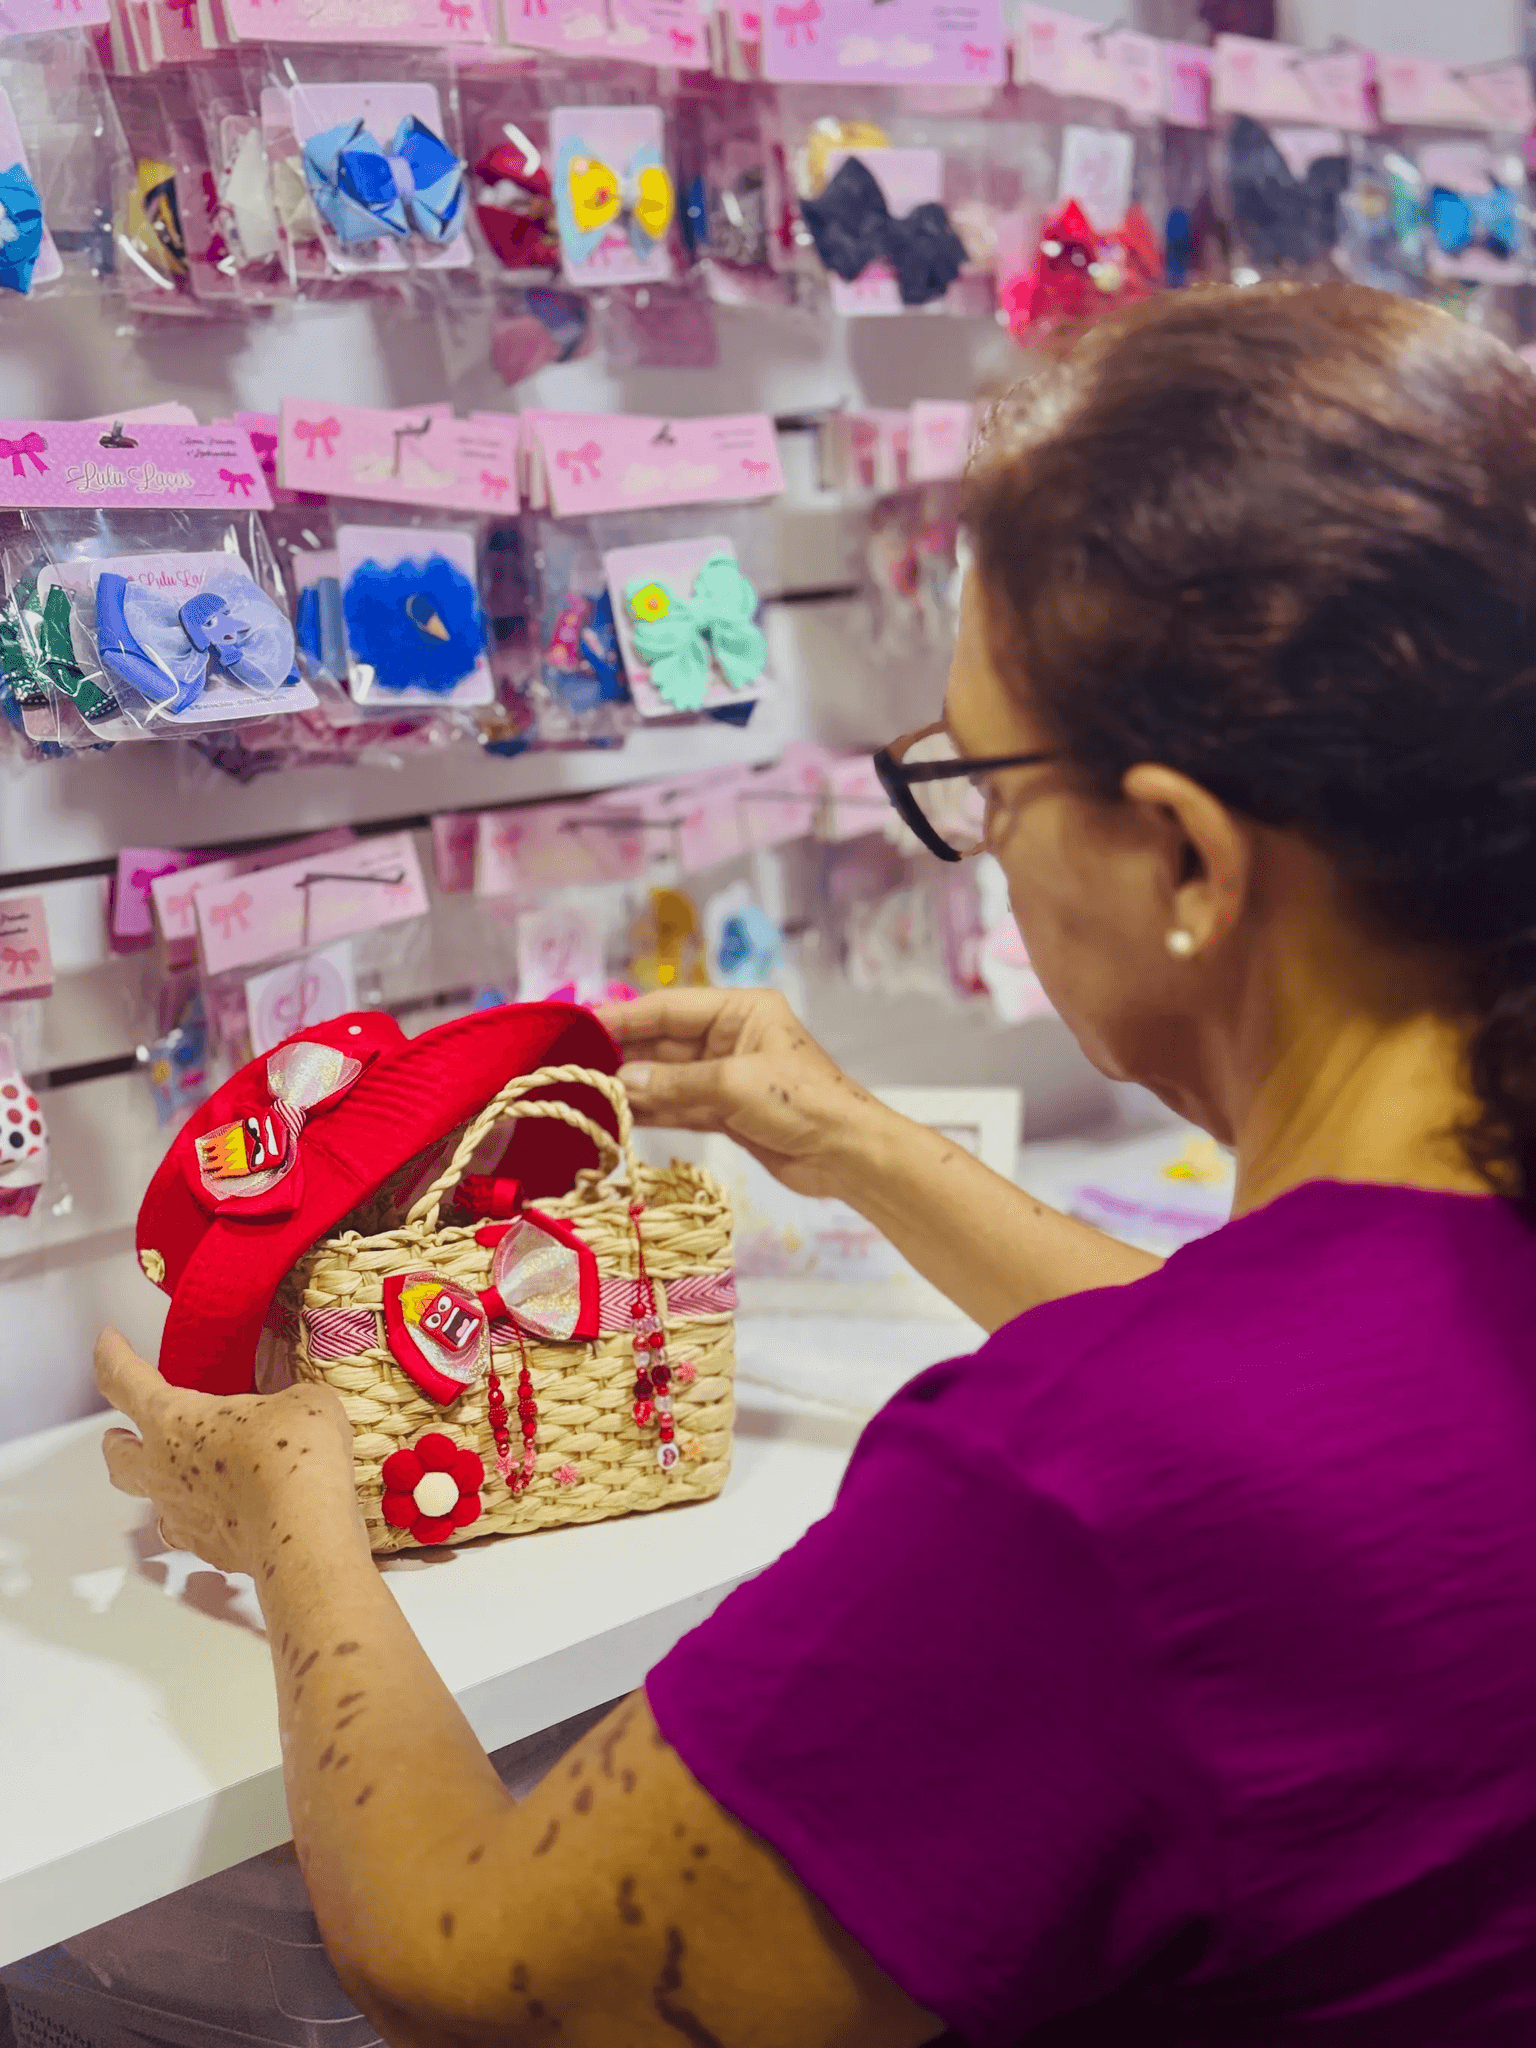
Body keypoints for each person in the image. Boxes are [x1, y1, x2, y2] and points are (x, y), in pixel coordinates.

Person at [97, 281, 1536, 2045]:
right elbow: (1313, 1406)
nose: (981, 851)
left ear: (1182, 862)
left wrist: (295, 1517)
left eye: (986, 787)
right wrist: (861, 1149)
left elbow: (482, 1970)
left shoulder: (1079, 1499)